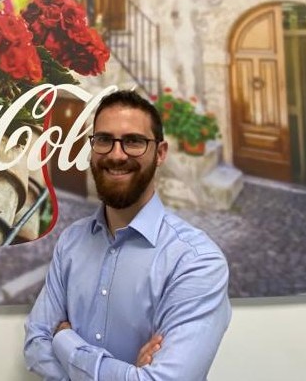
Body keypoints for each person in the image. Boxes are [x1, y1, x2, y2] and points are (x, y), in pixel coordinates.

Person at [24, 89, 231, 380]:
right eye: (104, 140)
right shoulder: (71, 242)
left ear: (160, 153)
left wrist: (63, 340)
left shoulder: (196, 261)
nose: (116, 155)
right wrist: (128, 373)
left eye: (133, 141)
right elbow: (35, 346)